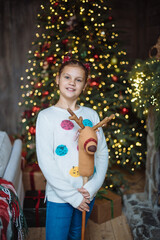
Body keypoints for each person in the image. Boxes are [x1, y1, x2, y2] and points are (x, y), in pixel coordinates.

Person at [36, 59, 108, 240]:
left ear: (84, 86)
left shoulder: (91, 115)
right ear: (57, 80)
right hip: (60, 196)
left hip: (85, 193)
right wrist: (71, 197)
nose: (72, 83)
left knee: (77, 236)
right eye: (67, 77)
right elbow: (46, 161)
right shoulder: (46, 117)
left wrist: (93, 187)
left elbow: (101, 153)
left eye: (78, 80)